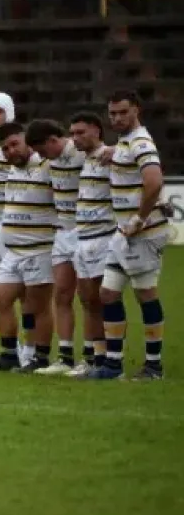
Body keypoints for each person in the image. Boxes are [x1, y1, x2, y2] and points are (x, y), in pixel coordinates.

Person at [93, 90, 169, 380]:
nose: (117, 118)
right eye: (112, 113)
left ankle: (153, 366)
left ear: (137, 110)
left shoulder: (141, 142)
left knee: (145, 294)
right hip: (122, 233)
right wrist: (114, 150)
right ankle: (113, 365)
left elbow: (154, 182)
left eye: (123, 112)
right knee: (108, 294)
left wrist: (139, 218)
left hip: (142, 233)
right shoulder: (126, 143)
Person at [0, 121, 56, 372]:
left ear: (27, 140)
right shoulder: (13, 170)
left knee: (38, 306)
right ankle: (9, 354)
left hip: (39, 248)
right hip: (13, 250)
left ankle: (40, 357)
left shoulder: (47, 165)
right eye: (5, 148)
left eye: (14, 144)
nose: (10, 152)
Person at [27, 118, 85, 375]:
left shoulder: (83, 155)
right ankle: (65, 356)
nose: (41, 156)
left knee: (90, 297)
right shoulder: (50, 163)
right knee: (62, 294)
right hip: (63, 233)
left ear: (53, 140)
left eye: (42, 150)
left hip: (87, 232)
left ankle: (96, 356)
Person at [0, 92, 32, 366]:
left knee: (25, 293)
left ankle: (30, 348)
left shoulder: (23, 144)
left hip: (20, 223)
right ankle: (10, 351)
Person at [66, 112, 113, 377]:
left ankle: (109, 357)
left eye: (81, 132)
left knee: (103, 300)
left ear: (97, 130)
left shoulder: (112, 156)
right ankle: (95, 357)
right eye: (73, 133)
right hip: (81, 238)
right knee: (86, 300)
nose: (75, 138)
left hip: (103, 237)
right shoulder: (81, 158)